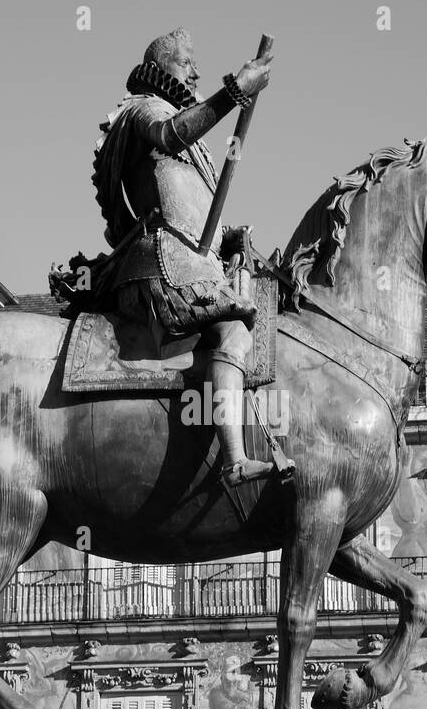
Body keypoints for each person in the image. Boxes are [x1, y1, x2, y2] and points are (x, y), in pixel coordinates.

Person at [93, 28, 288, 486]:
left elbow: (195, 210)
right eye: (187, 62)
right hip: (160, 259)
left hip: (192, 258)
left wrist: (229, 236)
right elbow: (170, 135)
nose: (196, 71)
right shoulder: (143, 110)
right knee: (233, 329)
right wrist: (234, 92)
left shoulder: (189, 143)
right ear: (161, 68)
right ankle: (234, 460)